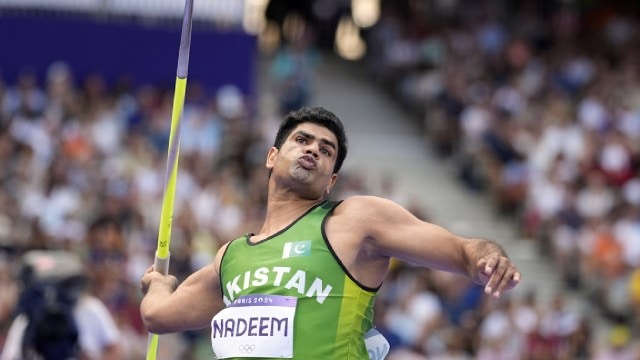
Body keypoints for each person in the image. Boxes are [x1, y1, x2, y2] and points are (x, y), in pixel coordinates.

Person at [140, 106, 521, 359]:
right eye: (302, 140)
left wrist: (484, 257)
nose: (313, 151)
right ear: (272, 157)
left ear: (331, 180)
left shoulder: (353, 221)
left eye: (326, 150)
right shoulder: (232, 256)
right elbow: (158, 316)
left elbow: (460, 251)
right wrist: (158, 283)